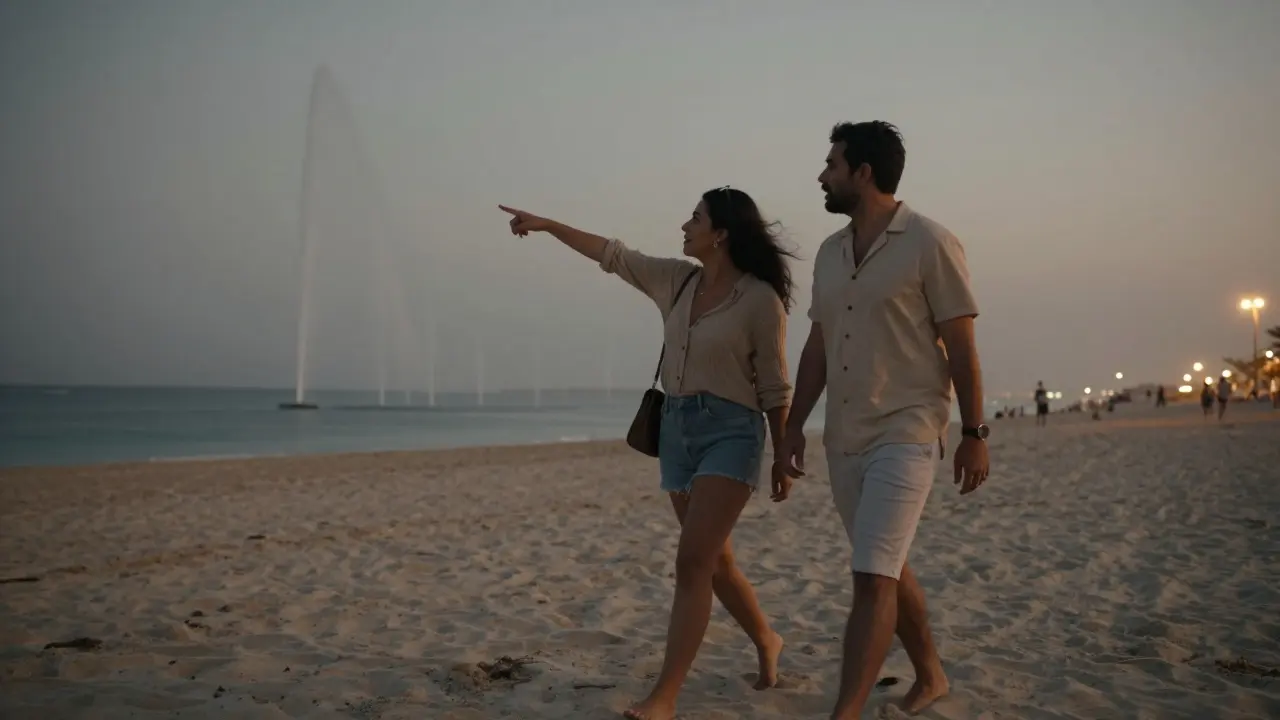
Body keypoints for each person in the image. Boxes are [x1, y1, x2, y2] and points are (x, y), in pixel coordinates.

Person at [498, 187, 797, 720]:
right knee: (716, 561)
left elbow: (775, 386)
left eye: (696, 218)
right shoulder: (676, 280)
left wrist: (781, 452)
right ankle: (767, 639)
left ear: (721, 233)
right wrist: (546, 225)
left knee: (692, 561)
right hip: (677, 433)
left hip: (732, 434)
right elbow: (611, 254)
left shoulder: (760, 300)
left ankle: (665, 697)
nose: (685, 225)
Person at [777, 121, 990, 718]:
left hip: (908, 428)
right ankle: (931, 675)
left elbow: (962, 348)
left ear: (863, 172)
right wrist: (794, 426)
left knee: (871, 576)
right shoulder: (828, 252)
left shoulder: (930, 242)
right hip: (844, 437)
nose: (822, 175)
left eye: (832, 164)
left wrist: (975, 434)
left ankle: (845, 712)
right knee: (885, 563)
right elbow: (817, 346)